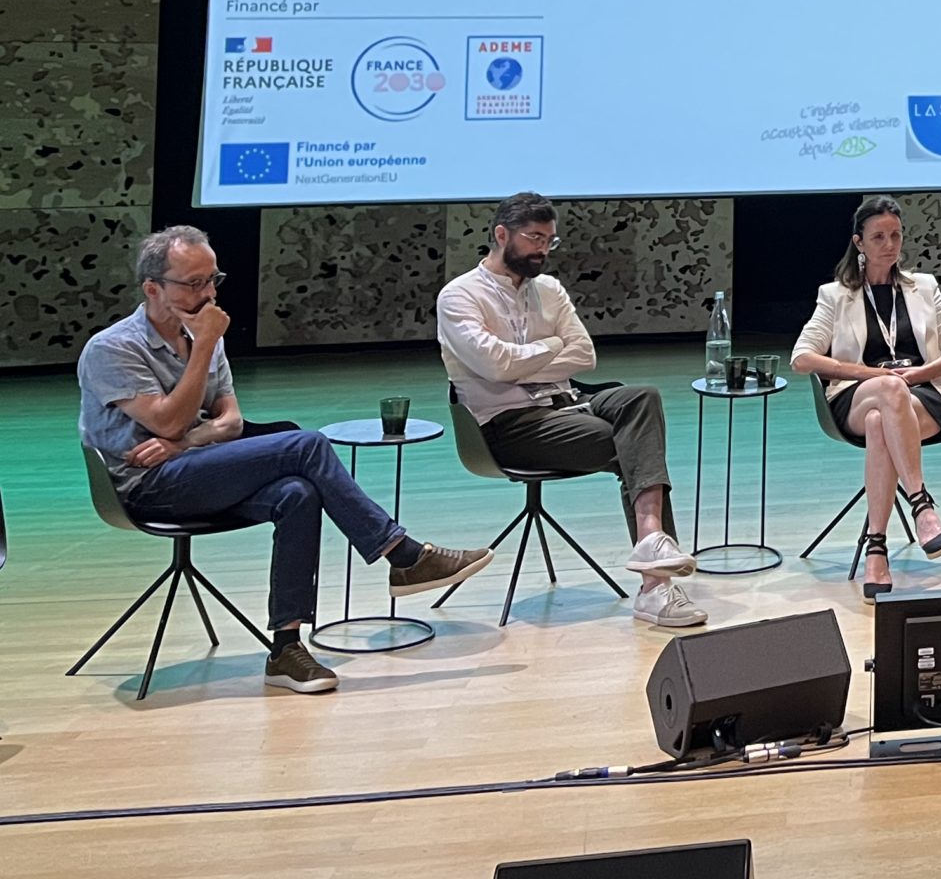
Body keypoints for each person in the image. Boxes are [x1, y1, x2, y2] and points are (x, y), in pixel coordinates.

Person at [77, 226, 492, 694]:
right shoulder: (114, 348)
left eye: (213, 280)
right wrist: (203, 356)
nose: (209, 293)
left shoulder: (203, 334)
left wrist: (185, 442)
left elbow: (230, 422)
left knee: (298, 492)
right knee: (305, 444)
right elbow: (168, 420)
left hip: (200, 469)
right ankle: (403, 554)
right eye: (193, 283)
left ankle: (285, 650)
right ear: (153, 288)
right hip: (147, 487)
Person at [435, 191, 705, 627]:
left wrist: (518, 364)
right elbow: (495, 365)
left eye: (549, 240)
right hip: (507, 426)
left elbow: (584, 356)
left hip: (568, 403)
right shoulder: (460, 295)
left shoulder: (549, 289)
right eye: (534, 238)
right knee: (633, 445)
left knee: (642, 397)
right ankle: (656, 587)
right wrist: (550, 346)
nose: (543, 249)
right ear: (501, 234)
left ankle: (651, 541)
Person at [790, 194, 941, 599]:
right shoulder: (835, 295)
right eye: (878, 237)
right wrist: (872, 374)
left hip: (923, 396)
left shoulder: (924, 287)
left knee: (881, 424)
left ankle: (877, 550)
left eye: (896, 235)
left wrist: (921, 373)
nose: (890, 245)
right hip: (856, 396)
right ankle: (922, 504)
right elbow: (802, 358)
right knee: (887, 392)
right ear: (859, 242)